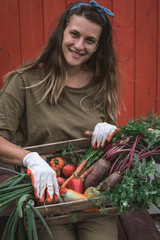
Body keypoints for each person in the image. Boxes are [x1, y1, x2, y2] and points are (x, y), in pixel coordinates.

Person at [0, 1, 120, 239]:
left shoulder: (102, 83)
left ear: (98, 46)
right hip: (45, 199)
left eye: (89, 40)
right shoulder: (25, 82)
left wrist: (111, 131)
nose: (79, 46)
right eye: (74, 34)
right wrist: (30, 158)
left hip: (94, 200)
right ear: (61, 33)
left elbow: (111, 147)